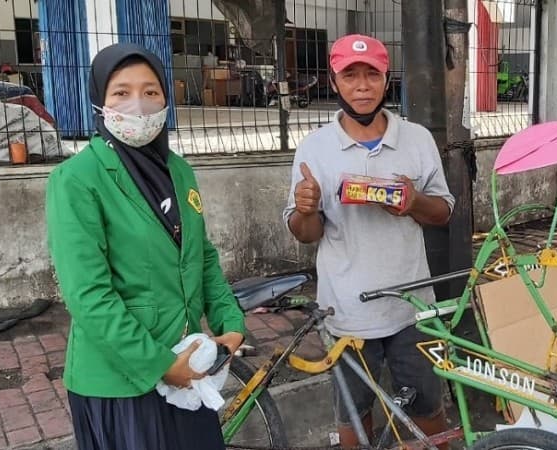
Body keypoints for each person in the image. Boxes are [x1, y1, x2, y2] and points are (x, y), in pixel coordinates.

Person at [45, 43, 246, 450]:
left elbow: (201, 255)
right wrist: (159, 365)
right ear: (99, 101)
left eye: (151, 91)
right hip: (121, 383)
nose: (138, 104)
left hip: (189, 370)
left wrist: (230, 323)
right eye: (121, 92)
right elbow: (88, 295)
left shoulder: (179, 170)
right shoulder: (77, 179)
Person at [283, 34, 454, 448]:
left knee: (429, 413)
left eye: (371, 75)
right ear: (333, 79)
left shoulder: (417, 139)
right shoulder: (316, 147)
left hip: (413, 306)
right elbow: (307, 234)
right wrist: (305, 209)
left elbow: (444, 212)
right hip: (346, 310)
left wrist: (413, 201)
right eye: (350, 75)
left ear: (386, 78)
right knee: (355, 421)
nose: (362, 86)